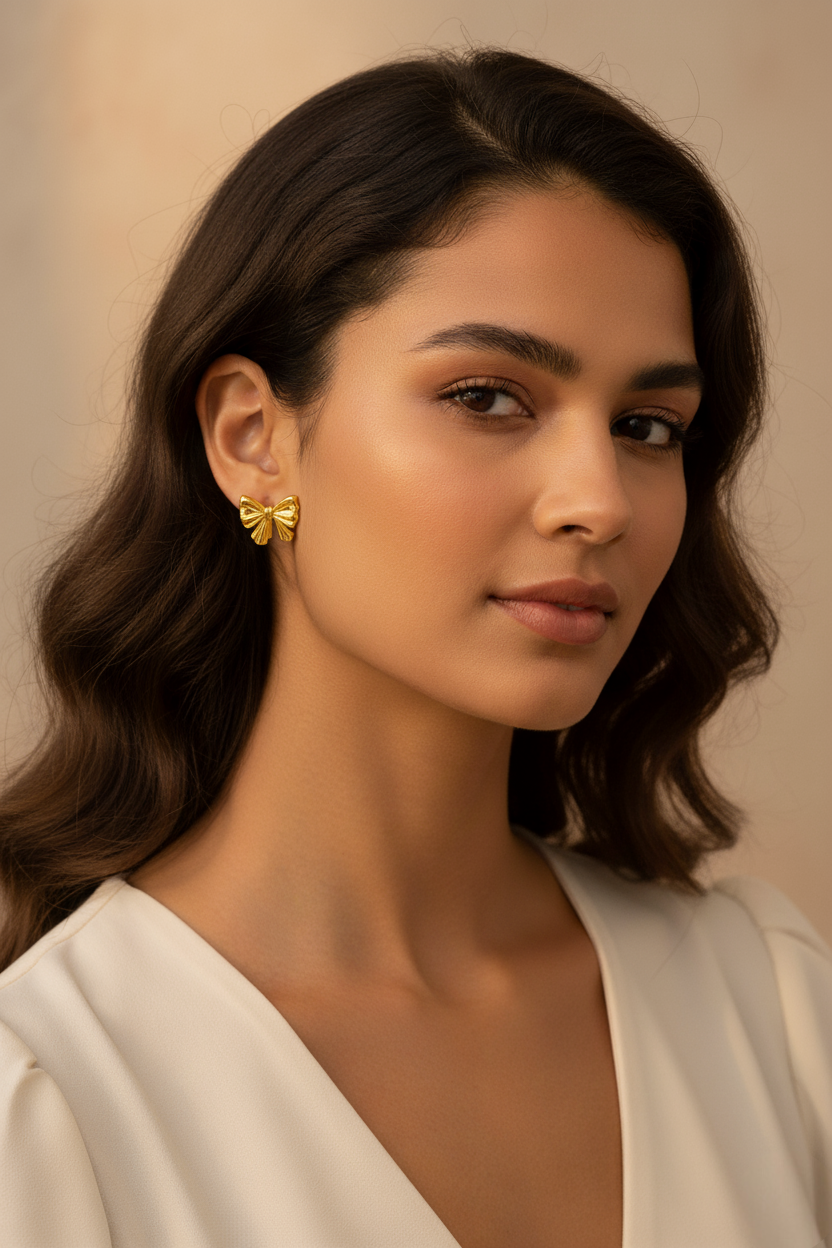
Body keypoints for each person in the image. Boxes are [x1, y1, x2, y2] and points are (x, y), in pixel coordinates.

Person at [0, 45, 829, 1248]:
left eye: (650, 425)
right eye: (487, 396)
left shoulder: (769, 1009)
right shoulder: (54, 1099)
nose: (597, 498)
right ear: (252, 439)